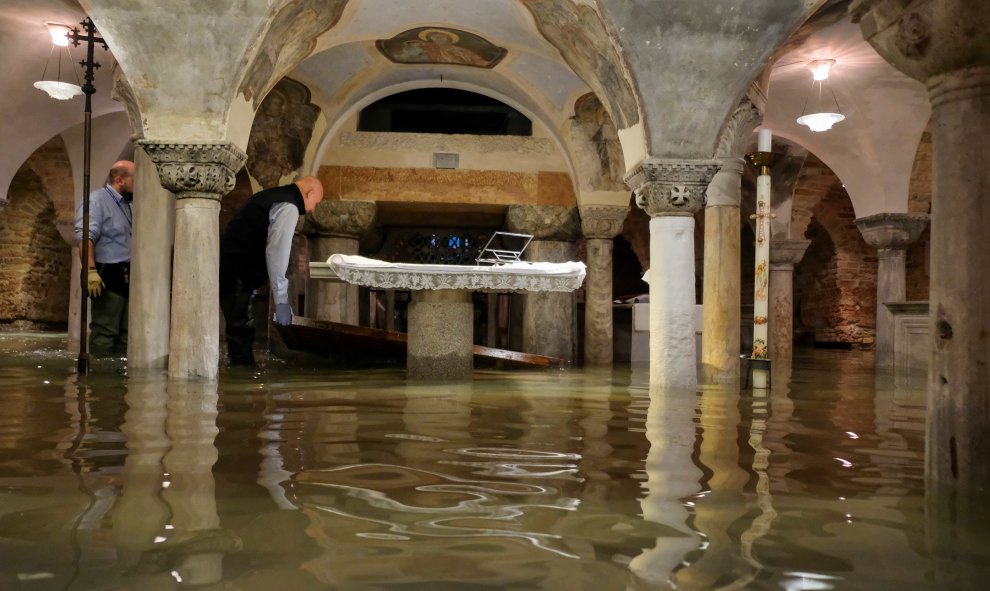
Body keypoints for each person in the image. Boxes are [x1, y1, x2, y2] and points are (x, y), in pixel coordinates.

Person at [219, 176, 324, 366]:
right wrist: (281, 301)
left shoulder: (270, 196)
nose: (312, 210)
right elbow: (277, 253)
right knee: (240, 331)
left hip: (230, 266)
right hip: (238, 272)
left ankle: (240, 379)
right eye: (315, 203)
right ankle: (242, 385)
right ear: (309, 193)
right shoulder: (288, 206)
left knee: (239, 330)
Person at [75, 160, 135, 357]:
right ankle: (100, 381)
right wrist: (90, 271)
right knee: (106, 331)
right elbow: (86, 237)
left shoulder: (128, 205)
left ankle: (119, 381)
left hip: (127, 273)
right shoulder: (96, 201)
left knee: (127, 334)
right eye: (135, 179)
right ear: (120, 179)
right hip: (107, 272)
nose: (138, 184)